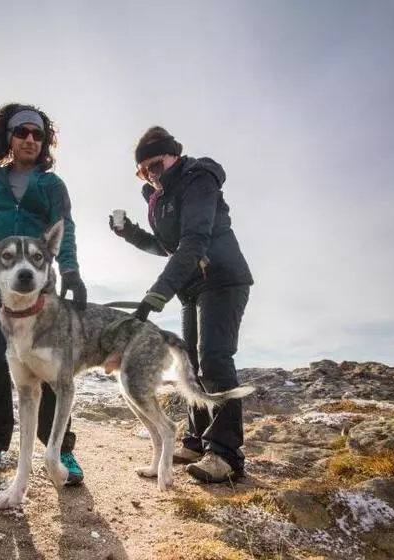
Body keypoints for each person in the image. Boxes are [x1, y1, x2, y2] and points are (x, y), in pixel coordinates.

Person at [109, 126, 253, 483]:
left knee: (215, 358)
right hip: (192, 288)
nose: (151, 176)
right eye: (143, 172)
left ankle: (225, 454)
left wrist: (156, 295)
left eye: (156, 165)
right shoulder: (159, 198)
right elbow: (166, 247)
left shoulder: (198, 180)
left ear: (174, 155)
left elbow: (193, 242)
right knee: (190, 364)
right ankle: (195, 441)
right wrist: (130, 233)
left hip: (222, 279)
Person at [0, 103, 87, 485]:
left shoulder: (52, 185)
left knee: (51, 359)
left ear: (45, 142)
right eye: (22, 132)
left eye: (38, 134)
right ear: (8, 138)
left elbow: (64, 228)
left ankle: (59, 447)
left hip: (38, 282)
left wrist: (70, 270)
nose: (30, 139)